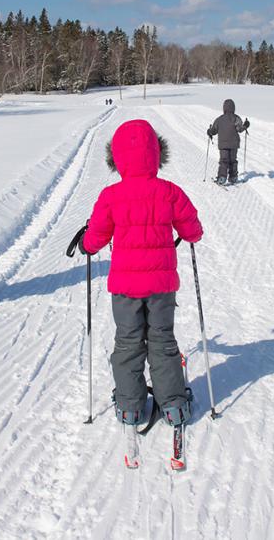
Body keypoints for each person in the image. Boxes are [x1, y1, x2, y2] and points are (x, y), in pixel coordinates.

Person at [79, 119, 203, 428]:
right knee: (162, 341)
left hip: (124, 288)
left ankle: (130, 407)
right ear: (157, 155)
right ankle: (173, 405)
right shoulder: (170, 192)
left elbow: (94, 238)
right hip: (161, 286)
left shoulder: (110, 196)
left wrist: (87, 246)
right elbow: (193, 229)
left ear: (116, 159)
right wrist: (189, 234)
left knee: (128, 342)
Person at [206, 99, 249, 184]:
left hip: (223, 145)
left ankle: (222, 177)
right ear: (233, 108)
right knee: (233, 160)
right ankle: (233, 177)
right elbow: (240, 129)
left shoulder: (219, 119)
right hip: (234, 144)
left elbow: (214, 130)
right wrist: (246, 125)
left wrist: (209, 131)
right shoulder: (236, 118)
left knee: (224, 160)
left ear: (224, 108)